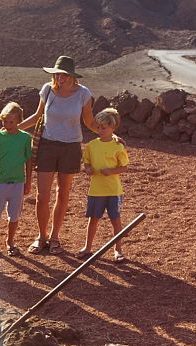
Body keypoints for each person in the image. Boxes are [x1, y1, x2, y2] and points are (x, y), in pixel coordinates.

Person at [18, 55, 97, 255]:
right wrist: (13, 130)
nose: (60, 78)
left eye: (64, 74)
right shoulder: (47, 90)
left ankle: (55, 237)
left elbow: (89, 122)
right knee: (42, 195)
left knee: (63, 193)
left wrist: (110, 134)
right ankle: (41, 236)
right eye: (57, 74)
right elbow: (37, 116)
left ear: (72, 76)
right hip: (47, 145)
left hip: (71, 147)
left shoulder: (83, 94)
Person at [76, 107, 129, 263]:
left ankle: (118, 250)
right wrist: (87, 168)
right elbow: (86, 162)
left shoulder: (118, 146)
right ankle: (88, 247)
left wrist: (112, 171)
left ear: (113, 127)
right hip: (96, 191)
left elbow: (124, 167)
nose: (100, 130)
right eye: (98, 127)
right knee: (93, 219)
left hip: (114, 191)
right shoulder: (91, 145)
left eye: (103, 128)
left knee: (116, 220)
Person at [0, 102, 32, 257]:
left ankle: (10, 242)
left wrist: (28, 182)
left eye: (11, 122)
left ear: (18, 121)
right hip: (1, 182)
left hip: (18, 182)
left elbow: (29, 161)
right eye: (5, 121)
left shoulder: (25, 138)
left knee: (14, 216)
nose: (7, 125)